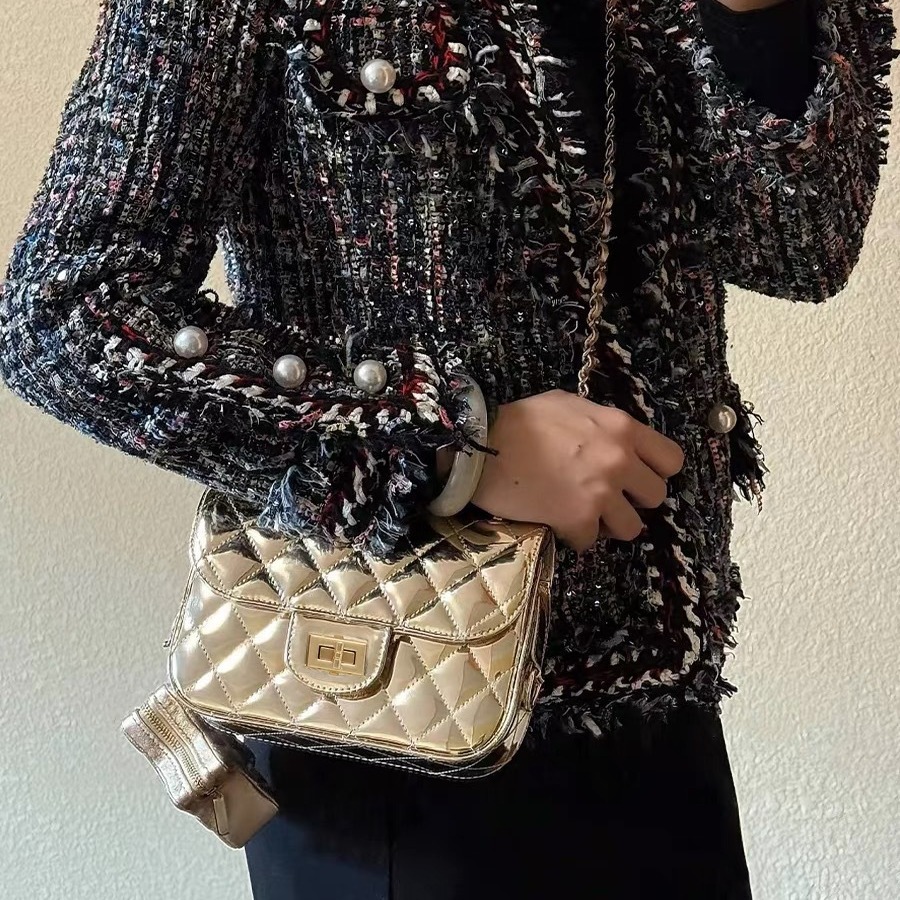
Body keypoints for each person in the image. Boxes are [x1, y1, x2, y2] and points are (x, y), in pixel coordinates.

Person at [0, 0, 895, 897]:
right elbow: (64, 312)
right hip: (383, 693)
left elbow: (798, 245)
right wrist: (451, 440)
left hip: (658, 706)